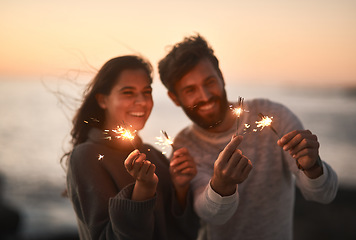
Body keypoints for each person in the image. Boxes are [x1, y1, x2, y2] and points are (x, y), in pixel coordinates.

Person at [158, 34, 338, 240]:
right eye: (190, 90)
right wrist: (221, 185)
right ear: (175, 98)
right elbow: (209, 214)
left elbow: (323, 195)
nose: (206, 96)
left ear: (222, 77)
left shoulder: (274, 115)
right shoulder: (184, 146)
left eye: (209, 82)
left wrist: (313, 166)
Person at [63, 55, 199, 240]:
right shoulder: (87, 156)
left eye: (146, 92)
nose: (142, 101)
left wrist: (181, 189)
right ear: (103, 100)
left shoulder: (155, 155)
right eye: (128, 93)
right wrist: (142, 190)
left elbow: (185, 233)